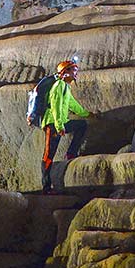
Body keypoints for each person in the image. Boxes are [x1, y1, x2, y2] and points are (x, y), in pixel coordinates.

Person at [34, 59, 91, 193]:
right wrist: (59, 126)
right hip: (52, 123)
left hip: (59, 123)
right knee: (48, 155)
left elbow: (72, 104)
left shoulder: (66, 87)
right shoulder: (59, 85)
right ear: (65, 72)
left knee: (81, 125)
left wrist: (87, 114)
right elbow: (56, 106)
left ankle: (71, 153)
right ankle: (46, 187)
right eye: (73, 71)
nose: (76, 74)